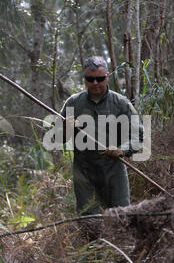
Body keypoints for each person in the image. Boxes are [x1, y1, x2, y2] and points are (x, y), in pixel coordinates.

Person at [58, 56, 143, 215]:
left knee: (122, 219)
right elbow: (57, 139)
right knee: (89, 223)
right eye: (90, 79)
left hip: (114, 171)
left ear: (108, 77)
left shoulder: (121, 103)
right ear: (85, 79)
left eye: (100, 78)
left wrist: (122, 149)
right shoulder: (73, 103)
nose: (95, 83)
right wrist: (65, 128)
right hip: (84, 173)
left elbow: (138, 137)